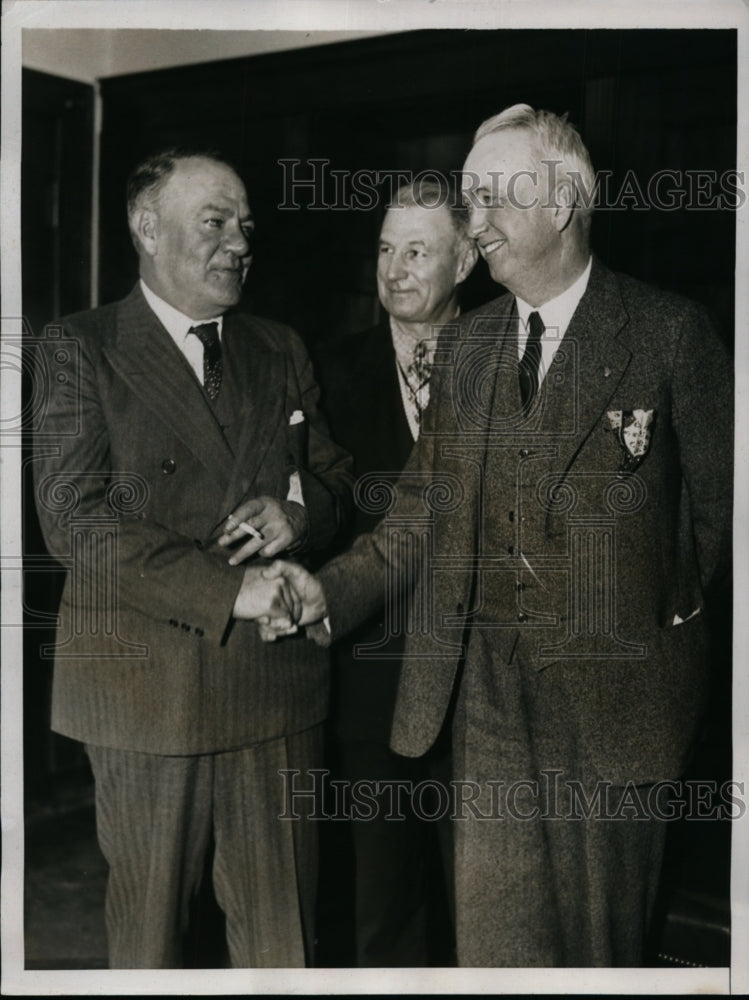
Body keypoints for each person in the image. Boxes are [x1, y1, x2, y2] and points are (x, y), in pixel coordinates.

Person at [251, 105, 733, 966]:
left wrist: (651, 618)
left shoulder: (668, 334)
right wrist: (332, 590)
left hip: (615, 709)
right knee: (495, 958)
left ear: (561, 202)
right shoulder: (468, 349)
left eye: (493, 193)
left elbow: (716, 521)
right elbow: (418, 512)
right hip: (485, 709)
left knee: (598, 959)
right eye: (469, 197)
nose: (477, 218)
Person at [32, 148, 353, 969]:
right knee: (151, 948)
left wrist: (295, 515)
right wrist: (229, 588)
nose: (239, 242)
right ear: (147, 227)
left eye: (245, 225)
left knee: (286, 944)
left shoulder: (277, 346)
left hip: (275, 690)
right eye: (215, 221)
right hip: (146, 692)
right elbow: (75, 519)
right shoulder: (82, 348)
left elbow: (335, 480)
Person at [314, 180, 477, 966]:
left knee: (486, 912)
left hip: (480, 685)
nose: (394, 269)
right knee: (381, 909)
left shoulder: (511, 360)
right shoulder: (324, 370)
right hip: (370, 678)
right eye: (384, 249)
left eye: (417, 250)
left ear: (468, 258)